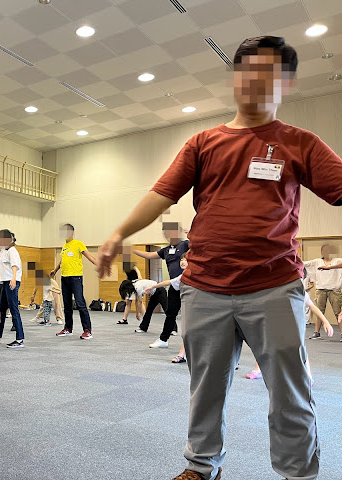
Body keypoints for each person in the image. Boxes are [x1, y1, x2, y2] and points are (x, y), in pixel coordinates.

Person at [98, 36, 342, 480]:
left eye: (268, 73)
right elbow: (161, 194)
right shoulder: (203, 142)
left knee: (291, 393)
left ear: (285, 83)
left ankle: (298, 473)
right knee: (205, 389)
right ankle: (201, 466)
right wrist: (118, 233)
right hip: (205, 288)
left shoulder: (300, 143)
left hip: (274, 286)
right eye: (247, 70)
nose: (255, 81)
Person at [132, 222, 189, 346]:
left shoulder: (185, 244)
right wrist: (133, 250)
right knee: (170, 313)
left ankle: (194, 343)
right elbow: (149, 255)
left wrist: (191, 234)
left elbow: (200, 245)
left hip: (189, 285)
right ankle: (163, 340)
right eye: (165, 233)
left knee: (191, 315)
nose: (167, 235)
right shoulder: (166, 250)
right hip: (175, 285)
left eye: (169, 232)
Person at [52, 224, 98, 340]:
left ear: (72, 232)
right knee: (67, 304)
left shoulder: (78, 244)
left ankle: (87, 330)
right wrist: (55, 270)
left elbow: (90, 256)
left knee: (80, 303)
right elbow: (63, 260)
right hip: (65, 277)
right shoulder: (64, 247)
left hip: (75, 278)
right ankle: (68, 328)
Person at [0, 229, 24, 348]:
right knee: (1, 310)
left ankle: (19, 339)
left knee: (14, 309)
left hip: (12, 282)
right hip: (5, 282)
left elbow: (14, 266)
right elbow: (1, 268)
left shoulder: (12, 251)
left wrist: (13, 279)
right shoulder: (3, 251)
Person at [304, 245, 342, 339]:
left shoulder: (337, 261)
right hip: (321, 290)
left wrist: (330, 267)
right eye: (325, 250)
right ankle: (316, 332)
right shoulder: (317, 262)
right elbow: (303, 263)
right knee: (319, 312)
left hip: (334, 290)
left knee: (338, 313)